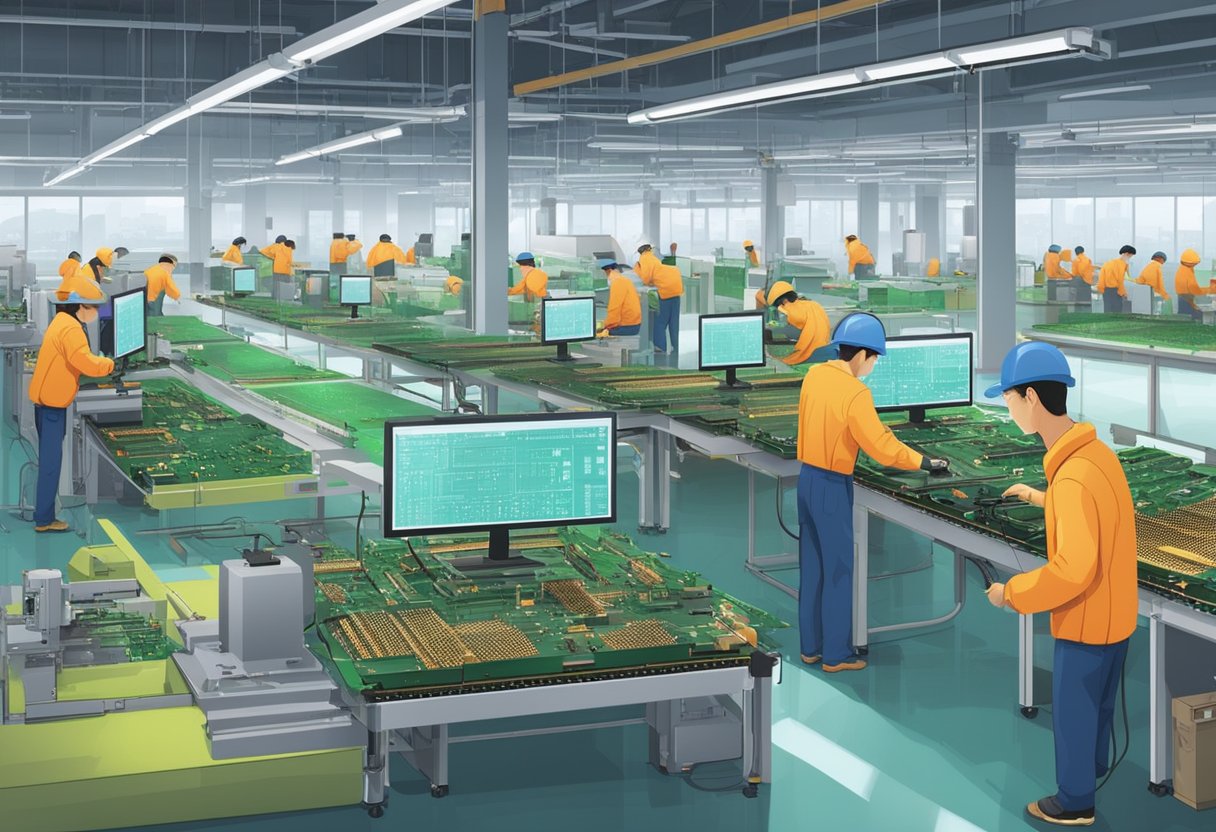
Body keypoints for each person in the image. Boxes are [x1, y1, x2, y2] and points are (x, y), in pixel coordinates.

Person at [984, 342, 1136, 828]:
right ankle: (1089, 776)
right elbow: (1094, 513)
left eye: (1008, 401)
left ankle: (1075, 803)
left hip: (1086, 622)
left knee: (1073, 713)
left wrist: (1012, 595)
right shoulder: (1095, 455)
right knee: (1097, 711)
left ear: (1030, 398)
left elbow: (1072, 570)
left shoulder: (1070, 479)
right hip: (1118, 617)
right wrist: (1040, 496)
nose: (1008, 412)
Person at [796, 313, 948, 672]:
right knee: (838, 572)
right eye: (875, 358)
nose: (874, 365)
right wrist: (925, 462)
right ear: (862, 354)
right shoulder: (855, 391)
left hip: (806, 480)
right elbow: (881, 446)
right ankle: (836, 655)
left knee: (813, 568)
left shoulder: (814, 375)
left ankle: (811, 648)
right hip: (832, 486)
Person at [28, 281, 115, 533]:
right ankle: (43, 519)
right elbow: (85, 362)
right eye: (93, 306)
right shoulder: (71, 330)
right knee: (51, 463)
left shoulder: (61, 321)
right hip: (52, 404)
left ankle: (43, 514)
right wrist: (109, 364)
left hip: (45, 399)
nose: (96, 311)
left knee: (49, 460)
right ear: (79, 305)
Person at [633, 240, 684, 354]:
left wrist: (638, 269)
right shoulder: (653, 256)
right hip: (676, 288)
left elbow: (646, 278)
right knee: (673, 322)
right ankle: (676, 347)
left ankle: (660, 347)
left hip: (666, 290)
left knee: (660, 321)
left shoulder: (644, 258)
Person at [765, 281, 830, 365]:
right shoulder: (813, 304)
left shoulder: (788, 308)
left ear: (784, 301)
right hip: (824, 349)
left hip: (808, 353)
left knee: (783, 362)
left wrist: (772, 327)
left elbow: (788, 324)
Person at [597, 258, 641, 337]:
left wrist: (605, 327)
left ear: (607, 271)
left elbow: (615, 309)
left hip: (626, 327)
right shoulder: (624, 280)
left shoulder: (617, 282)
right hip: (633, 324)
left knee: (593, 335)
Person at [1174, 248, 1212, 321]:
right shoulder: (1186, 271)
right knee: (1191, 319)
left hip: (1185, 299)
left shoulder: (1184, 269)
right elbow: (1194, 289)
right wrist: (1209, 290)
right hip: (1187, 300)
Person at [1096, 245, 1135, 314]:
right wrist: (1123, 292)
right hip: (1116, 292)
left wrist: (1101, 289)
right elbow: (1120, 280)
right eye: (1130, 256)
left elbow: (1101, 277)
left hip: (1106, 291)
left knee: (1107, 311)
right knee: (1117, 312)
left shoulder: (1108, 263)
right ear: (1127, 254)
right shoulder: (1122, 265)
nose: (1130, 258)